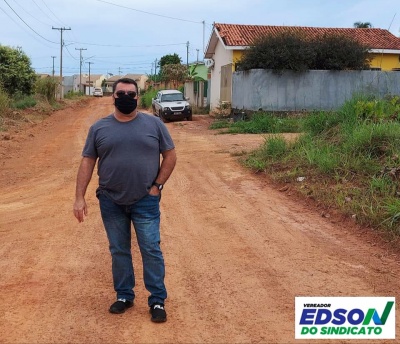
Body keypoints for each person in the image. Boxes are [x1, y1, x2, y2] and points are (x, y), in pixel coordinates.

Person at [73, 77, 177, 322]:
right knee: (119, 250)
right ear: (113, 97)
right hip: (111, 200)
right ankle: (124, 296)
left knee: (151, 249)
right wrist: (79, 197)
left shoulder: (154, 124)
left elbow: (170, 156)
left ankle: (157, 301)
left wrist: (157, 186)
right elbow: (87, 161)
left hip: (145, 200)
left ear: (138, 97)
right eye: (121, 94)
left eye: (132, 94)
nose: (127, 98)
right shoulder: (99, 128)